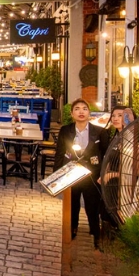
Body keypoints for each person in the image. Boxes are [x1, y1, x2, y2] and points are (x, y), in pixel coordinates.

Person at [54, 98, 110, 248]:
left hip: (92, 175)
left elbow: (106, 154)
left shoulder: (99, 132)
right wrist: (56, 175)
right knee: (73, 204)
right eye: (77, 109)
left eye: (84, 109)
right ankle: (72, 229)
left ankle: (95, 232)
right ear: (72, 114)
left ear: (89, 113)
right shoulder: (66, 130)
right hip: (71, 174)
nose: (81, 111)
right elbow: (59, 152)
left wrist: (103, 174)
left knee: (92, 205)